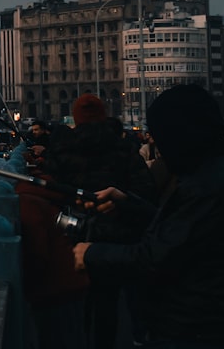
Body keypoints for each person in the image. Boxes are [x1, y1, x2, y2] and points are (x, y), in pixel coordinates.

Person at [73, 84, 224, 348]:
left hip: (198, 329)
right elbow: (183, 232)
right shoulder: (216, 172)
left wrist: (91, 253)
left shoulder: (206, 186)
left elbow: (155, 258)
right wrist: (129, 204)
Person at [44, 93, 155, 349]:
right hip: (117, 234)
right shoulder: (121, 146)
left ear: (77, 118)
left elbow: (52, 188)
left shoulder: (64, 147)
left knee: (79, 303)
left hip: (77, 235)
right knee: (110, 301)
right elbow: (144, 188)